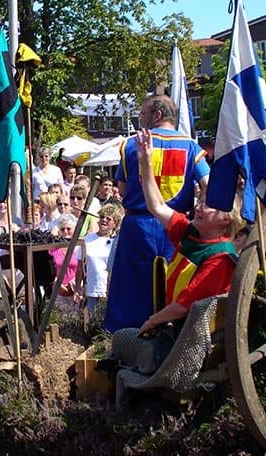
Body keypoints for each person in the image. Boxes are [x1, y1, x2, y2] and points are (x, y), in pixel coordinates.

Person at [102, 129, 243, 375]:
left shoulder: (220, 258)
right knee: (124, 341)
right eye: (200, 201)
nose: (198, 207)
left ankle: (142, 373)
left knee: (124, 341)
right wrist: (146, 163)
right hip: (175, 333)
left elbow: (183, 305)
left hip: (190, 345)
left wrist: (151, 321)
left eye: (208, 206)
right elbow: (156, 205)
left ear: (225, 220)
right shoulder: (191, 234)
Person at [104, 94, 209, 332]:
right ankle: (172, 332)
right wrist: (200, 211)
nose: (141, 120)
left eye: (143, 115)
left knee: (132, 287)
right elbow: (208, 183)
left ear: (157, 115)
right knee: (174, 282)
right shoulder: (191, 146)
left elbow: (121, 188)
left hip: (138, 226)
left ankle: (127, 338)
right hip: (176, 225)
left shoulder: (131, 145)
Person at [75, 204, 122, 314]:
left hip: (111, 291)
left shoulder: (117, 242)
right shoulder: (87, 239)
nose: (104, 220)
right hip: (92, 289)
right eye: (102, 217)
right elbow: (80, 267)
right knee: (93, 323)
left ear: (115, 223)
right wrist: (77, 289)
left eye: (108, 219)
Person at [48, 213, 80, 298]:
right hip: (58, 291)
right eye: (62, 229)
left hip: (76, 290)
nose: (65, 232)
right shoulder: (54, 248)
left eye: (68, 229)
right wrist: (55, 281)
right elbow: (49, 269)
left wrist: (75, 283)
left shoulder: (80, 247)